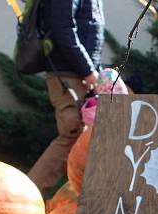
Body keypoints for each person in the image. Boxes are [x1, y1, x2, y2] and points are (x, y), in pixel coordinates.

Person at [27, 0, 104, 196]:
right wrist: (87, 70)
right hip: (69, 74)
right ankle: (27, 194)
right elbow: (62, 29)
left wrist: (94, 70)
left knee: (83, 137)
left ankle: (90, 199)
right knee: (73, 136)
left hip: (77, 72)